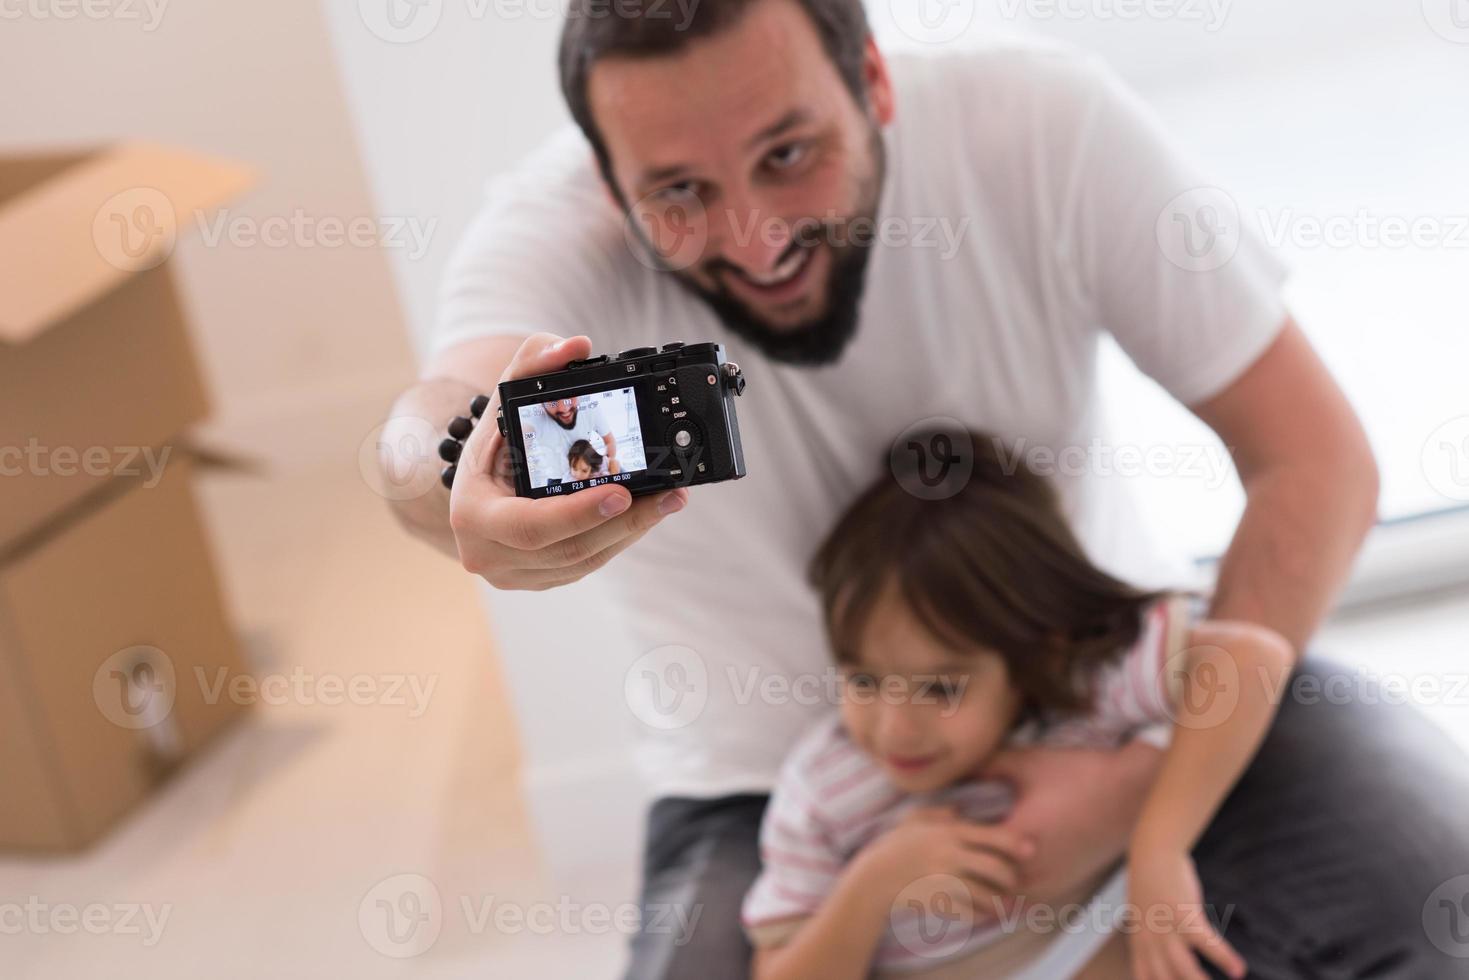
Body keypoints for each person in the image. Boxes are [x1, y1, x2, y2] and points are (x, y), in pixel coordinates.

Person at [378, 0, 1469, 976]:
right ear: (607, 185)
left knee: (1437, 894)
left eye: (788, 151)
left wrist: (1146, 783)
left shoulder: (1038, 126)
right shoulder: (547, 243)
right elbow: (427, 426)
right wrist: (450, 477)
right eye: (677, 192)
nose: (754, 238)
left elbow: (1313, 459)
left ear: (875, 84)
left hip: (1099, 684)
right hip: (757, 785)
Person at [744, 430, 1291, 980]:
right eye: (862, 680)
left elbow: (1252, 660)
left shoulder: (1076, 685)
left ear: (1032, 654)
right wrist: (875, 882)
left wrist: (1159, 851)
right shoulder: (821, 790)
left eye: (941, 688)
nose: (895, 730)